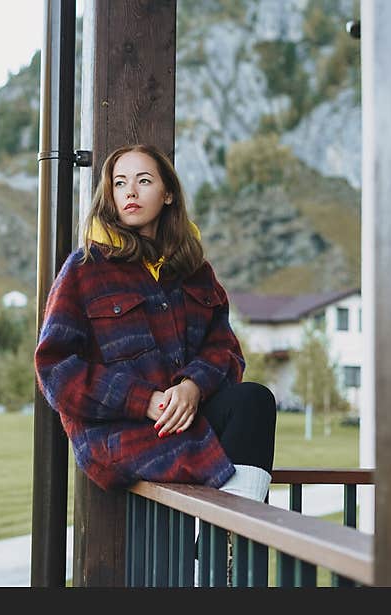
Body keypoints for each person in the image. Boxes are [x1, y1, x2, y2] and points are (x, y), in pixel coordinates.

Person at [34, 143, 276, 502]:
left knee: (254, 400)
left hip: (189, 420)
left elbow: (225, 349)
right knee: (222, 469)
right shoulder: (84, 269)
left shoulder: (195, 271)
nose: (130, 191)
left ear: (168, 195)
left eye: (143, 180)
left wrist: (193, 386)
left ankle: (224, 544)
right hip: (125, 434)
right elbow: (55, 371)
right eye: (119, 183)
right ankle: (225, 544)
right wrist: (144, 400)